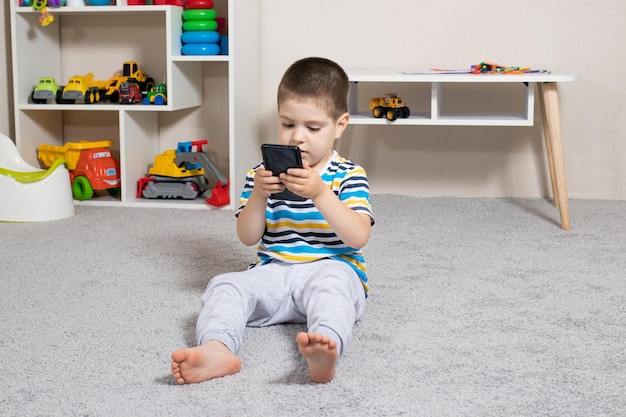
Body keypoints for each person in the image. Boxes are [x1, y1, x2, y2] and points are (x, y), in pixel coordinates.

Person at [171, 57, 374, 384]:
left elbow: (358, 236)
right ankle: (217, 347)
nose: (297, 137)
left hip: (332, 267)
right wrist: (259, 196)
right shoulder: (261, 174)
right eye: (288, 124)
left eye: (313, 127)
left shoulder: (349, 175)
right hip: (274, 272)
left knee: (335, 290)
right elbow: (248, 236)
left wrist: (321, 194)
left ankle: (327, 347)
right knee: (225, 285)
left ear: (340, 124)